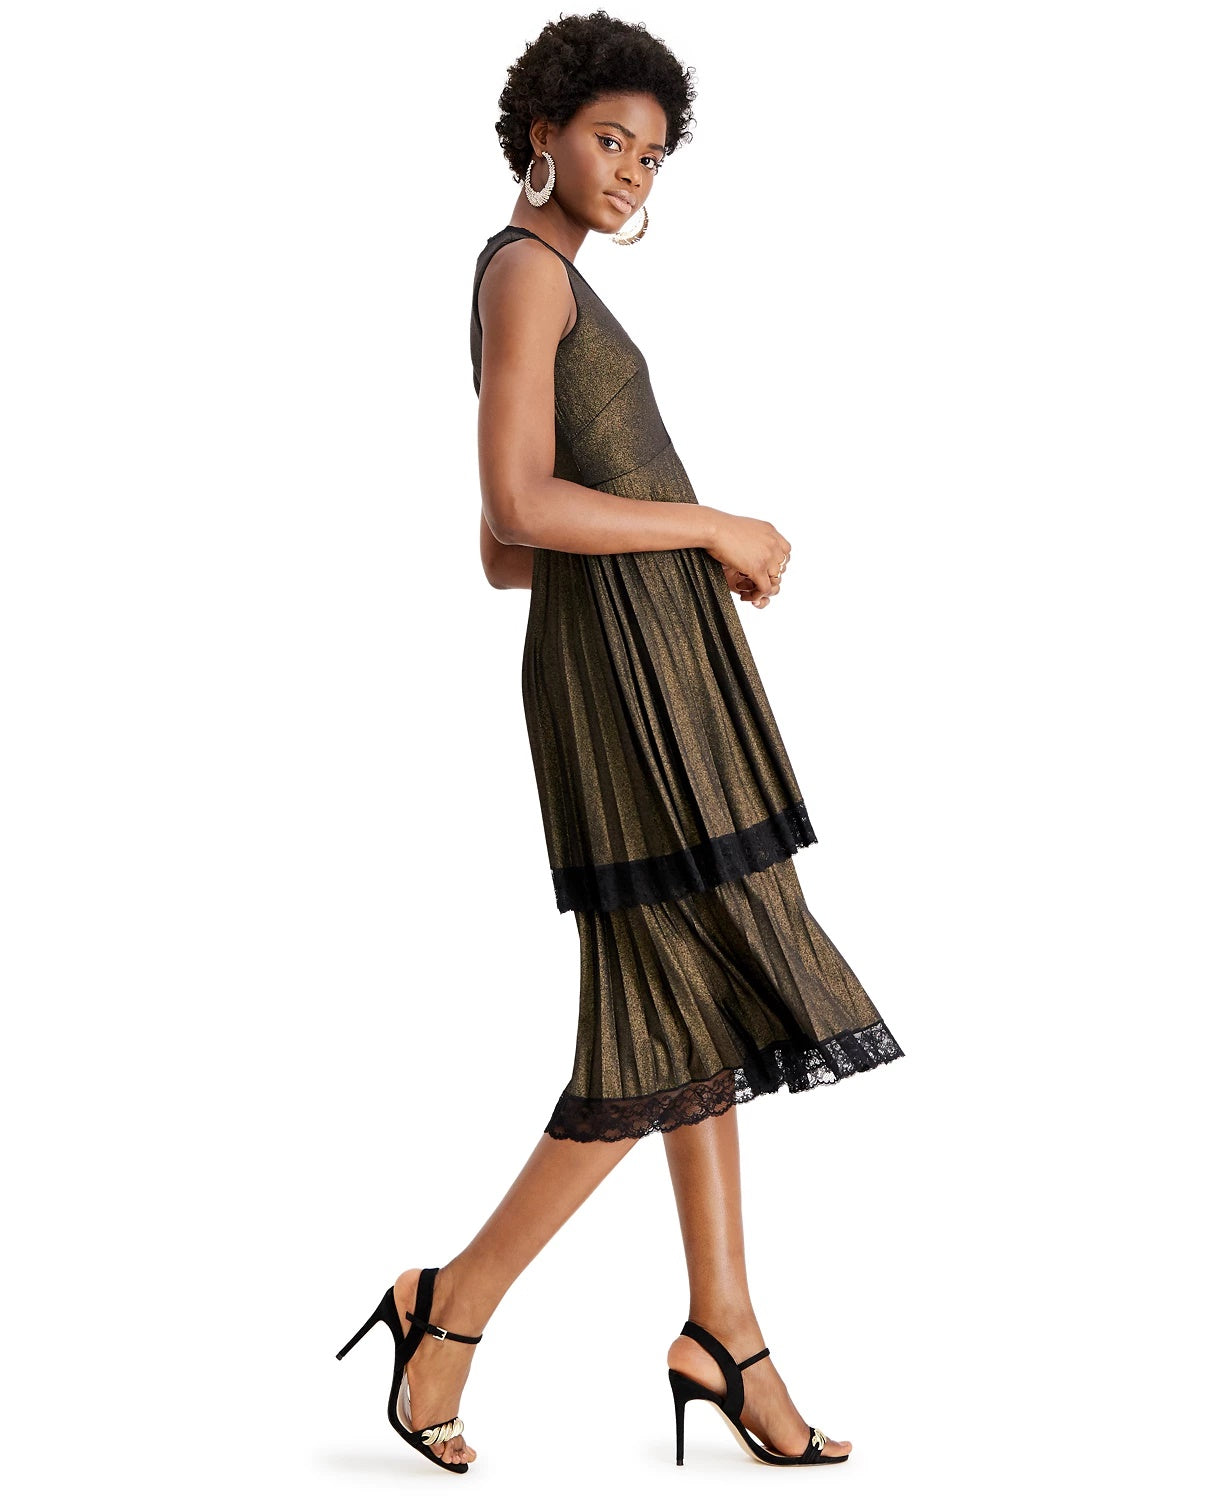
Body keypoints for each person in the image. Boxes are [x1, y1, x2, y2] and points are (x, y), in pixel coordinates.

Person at [336, 10, 904, 1475]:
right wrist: (707, 524)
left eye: (652, 156)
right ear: (541, 132)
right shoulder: (525, 273)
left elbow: (503, 554)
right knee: (667, 1006)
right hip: (625, 691)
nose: (632, 172)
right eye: (609, 140)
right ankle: (453, 1304)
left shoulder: (545, 281)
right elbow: (517, 510)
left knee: (693, 996)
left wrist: (670, 560)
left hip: (650, 666)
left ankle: (723, 1329)